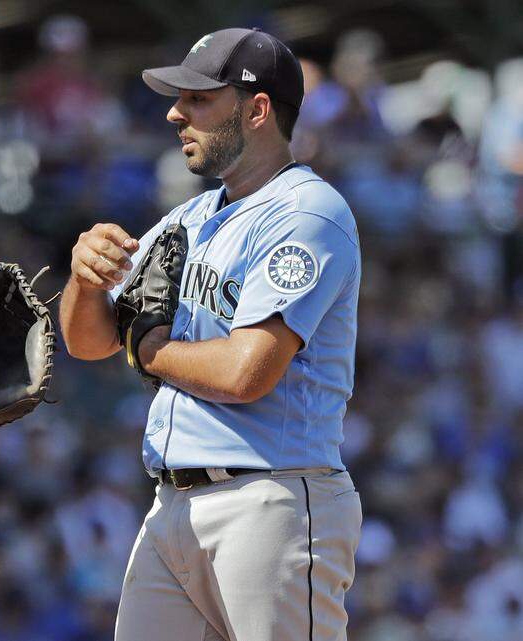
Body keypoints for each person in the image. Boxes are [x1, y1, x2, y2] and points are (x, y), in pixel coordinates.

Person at [60, 28, 363, 641]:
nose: (176, 113)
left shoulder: (307, 213)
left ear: (257, 110)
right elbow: (87, 342)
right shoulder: (191, 217)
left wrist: (148, 349)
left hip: (270, 501)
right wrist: (84, 281)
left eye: (199, 99)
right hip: (172, 504)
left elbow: (245, 373)